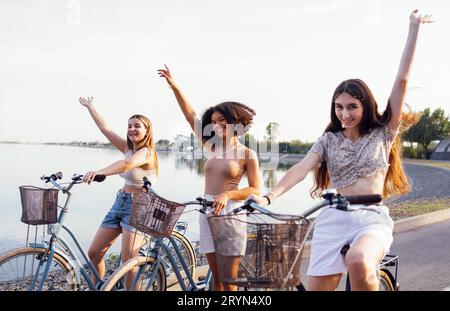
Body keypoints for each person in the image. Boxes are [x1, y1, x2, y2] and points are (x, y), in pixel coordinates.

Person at [247, 10, 432, 291]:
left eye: (352, 107)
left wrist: (414, 28)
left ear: (365, 106)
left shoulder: (383, 133)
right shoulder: (328, 140)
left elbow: (402, 82)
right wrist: (269, 196)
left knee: (359, 261)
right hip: (333, 219)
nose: (345, 113)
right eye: (339, 107)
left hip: (370, 218)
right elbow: (300, 168)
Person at [157, 65, 262, 291]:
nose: (217, 124)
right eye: (213, 121)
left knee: (229, 279)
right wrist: (173, 85)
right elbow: (190, 115)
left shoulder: (247, 154)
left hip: (231, 214)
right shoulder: (211, 146)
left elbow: (255, 189)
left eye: (222, 119)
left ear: (235, 121)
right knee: (216, 277)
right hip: (207, 211)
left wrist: (228, 194)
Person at [79, 96, 158, 288]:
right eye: (129, 125)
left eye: (137, 125)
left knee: (128, 262)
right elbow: (105, 129)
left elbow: (126, 164)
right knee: (94, 253)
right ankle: (103, 287)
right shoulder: (127, 148)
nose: (132, 129)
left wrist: (100, 172)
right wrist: (90, 106)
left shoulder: (147, 152)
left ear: (147, 130)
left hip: (138, 204)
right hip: (120, 201)